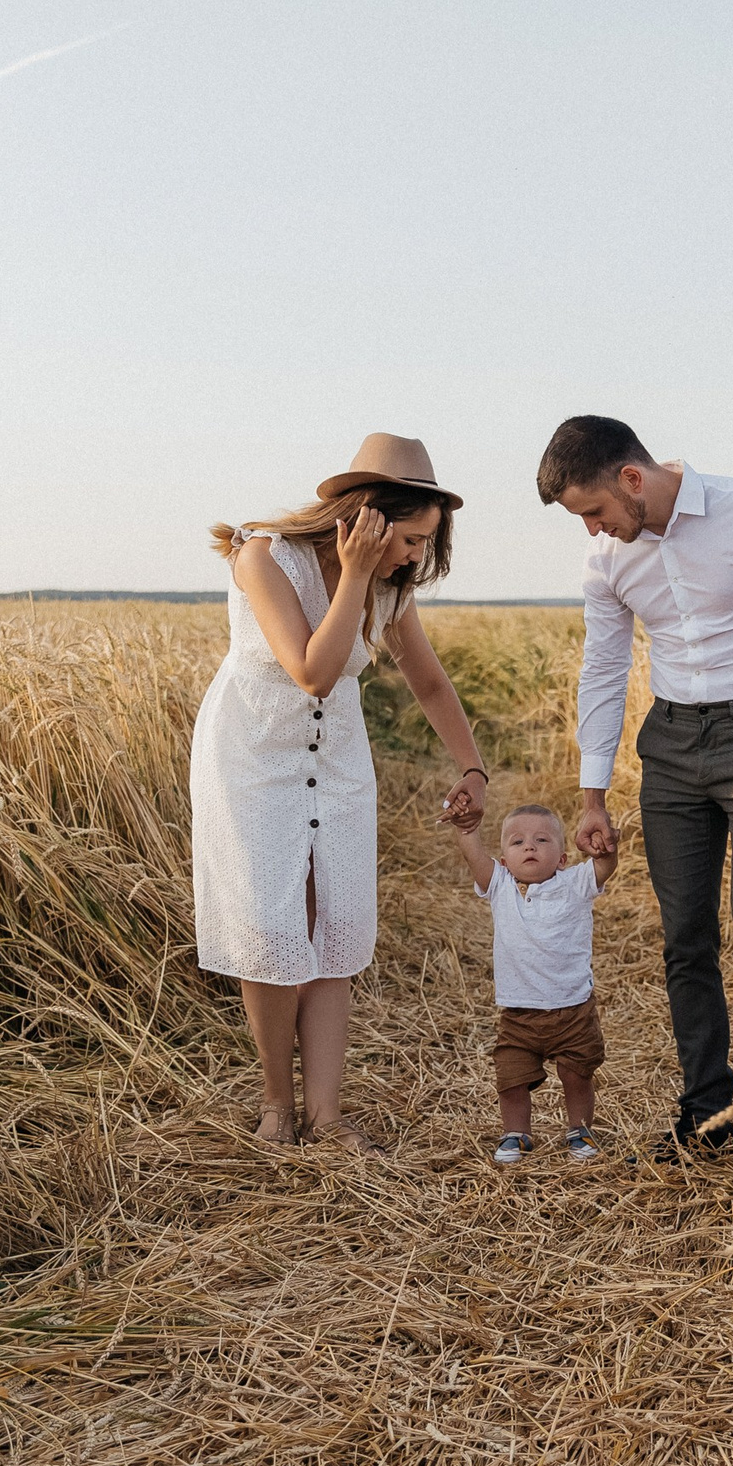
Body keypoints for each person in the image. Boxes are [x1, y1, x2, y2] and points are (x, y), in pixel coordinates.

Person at [536, 415, 733, 1200]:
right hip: (670, 749)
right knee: (685, 940)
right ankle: (705, 1113)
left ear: (632, 479)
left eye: (594, 510)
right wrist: (593, 792)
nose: (593, 528)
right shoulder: (608, 556)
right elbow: (603, 666)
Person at [190, 435, 489, 1152]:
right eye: (410, 538)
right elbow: (312, 671)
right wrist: (354, 574)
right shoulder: (264, 557)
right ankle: (275, 1106)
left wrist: (472, 768)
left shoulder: (390, 584)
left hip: (340, 765)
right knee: (271, 928)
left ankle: (326, 1114)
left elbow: (429, 681)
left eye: (425, 542)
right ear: (368, 517)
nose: (416, 556)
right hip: (254, 760)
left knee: (332, 926)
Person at [450, 802, 621, 1166]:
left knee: (577, 1074)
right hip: (518, 1014)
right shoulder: (499, 886)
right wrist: (466, 831)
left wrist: (607, 847)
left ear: (561, 858)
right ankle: (517, 1133)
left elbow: (604, 868)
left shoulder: (575, 883)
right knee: (511, 1078)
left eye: (541, 840)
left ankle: (580, 1129)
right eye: (518, 842)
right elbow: (475, 859)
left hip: (572, 1008)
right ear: (504, 859)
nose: (529, 847)